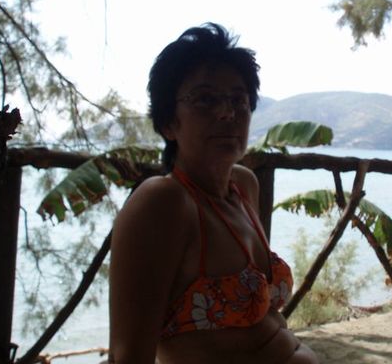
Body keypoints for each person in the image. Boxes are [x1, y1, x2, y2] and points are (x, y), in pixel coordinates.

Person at [109, 23, 319, 364]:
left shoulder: (244, 186)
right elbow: (128, 355)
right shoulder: (163, 202)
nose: (227, 113)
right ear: (169, 123)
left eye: (238, 99)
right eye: (205, 99)